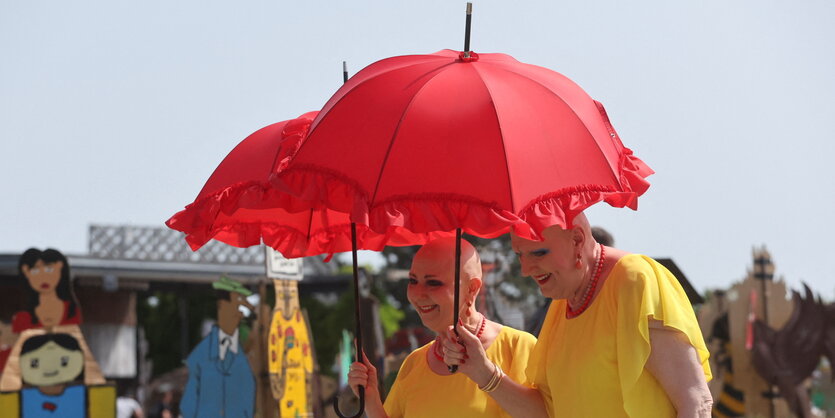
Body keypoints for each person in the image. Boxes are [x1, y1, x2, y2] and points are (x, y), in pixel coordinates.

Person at [441, 213, 712, 417]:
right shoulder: (563, 301)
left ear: (578, 240)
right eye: (519, 255)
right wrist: (482, 370)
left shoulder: (634, 279)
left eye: (538, 252)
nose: (525, 269)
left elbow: (696, 402)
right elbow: (548, 412)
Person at [347, 237, 537, 417]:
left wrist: (486, 375)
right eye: (413, 281)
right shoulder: (414, 363)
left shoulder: (518, 346)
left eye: (433, 283)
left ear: (471, 288)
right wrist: (371, 401)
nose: (418, 294)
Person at [180, 276, 256, 418]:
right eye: (236, 307)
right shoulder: (201, 356)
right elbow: (188, 405)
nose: (239, 314)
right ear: (222, 307)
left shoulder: (242, 357)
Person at [13, 248, 82, 333]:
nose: (43, 277)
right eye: (35, 271)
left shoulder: (71, 310)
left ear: (59, 267)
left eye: (49, 270)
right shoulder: (22, 317)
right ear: (26, 272)